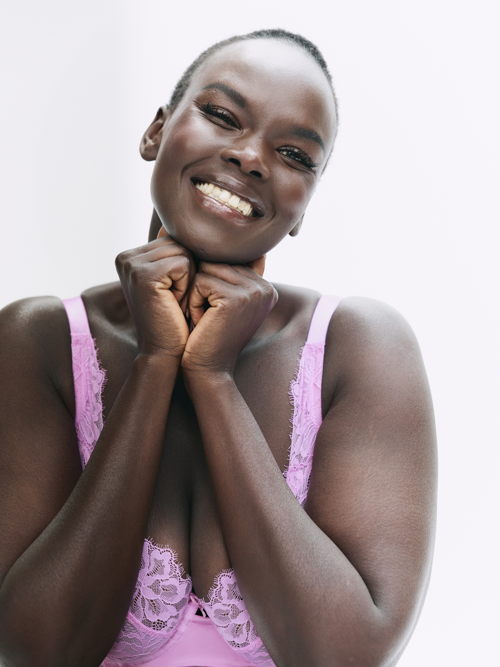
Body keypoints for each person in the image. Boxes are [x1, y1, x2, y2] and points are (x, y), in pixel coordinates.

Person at [0, 29, 437, 667]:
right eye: (223, 116)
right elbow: (35, 650)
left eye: (294, 154)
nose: (251, 157)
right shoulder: (38, 341)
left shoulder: (358, 348)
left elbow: (347, 657)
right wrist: (155, 364)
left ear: (304, 204)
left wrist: (212, 378)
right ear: (156, 132)